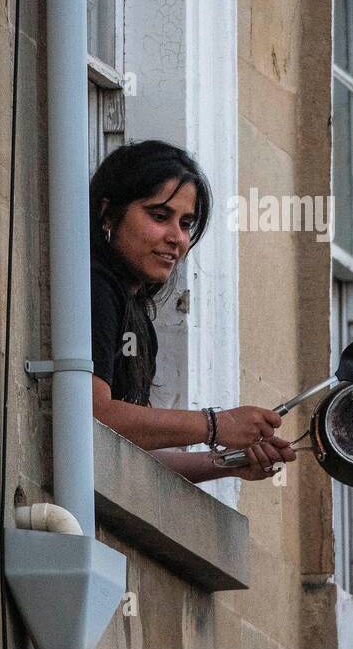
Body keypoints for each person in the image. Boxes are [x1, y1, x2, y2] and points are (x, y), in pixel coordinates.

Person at [89, 140, 296, 483]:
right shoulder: (97, 287)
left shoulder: (138, 320)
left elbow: (131, 453)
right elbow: (93, 415)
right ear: (108, 213)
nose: (177, 238)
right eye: (159, 216)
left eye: (186, 224)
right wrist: (215, 425)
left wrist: (229, 463)